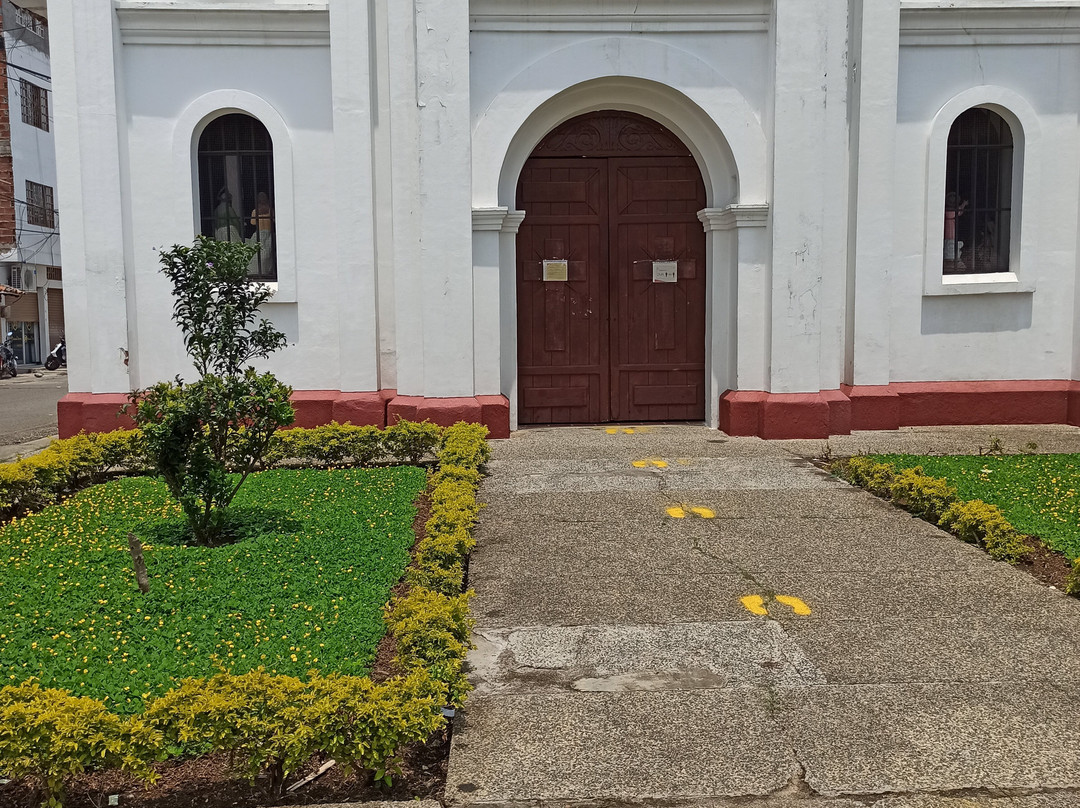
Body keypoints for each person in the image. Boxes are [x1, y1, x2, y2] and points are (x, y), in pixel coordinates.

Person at [247, 191, 274, 276]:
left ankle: (256, 271)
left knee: (257, 254)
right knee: (268, 254)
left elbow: (252, 222)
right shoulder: (270, 210)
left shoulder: (255, 211)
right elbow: (274, 220)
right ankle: (267, 271)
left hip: (259, 233)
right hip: (268, 233)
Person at [944, 191, 968, 271]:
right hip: (949, 226)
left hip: (952, 225)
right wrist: (963, 204)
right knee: (950, 239)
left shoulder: (951, 210)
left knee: (952, 239)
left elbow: (959, 212)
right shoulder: (949, 210)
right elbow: (957, 212)